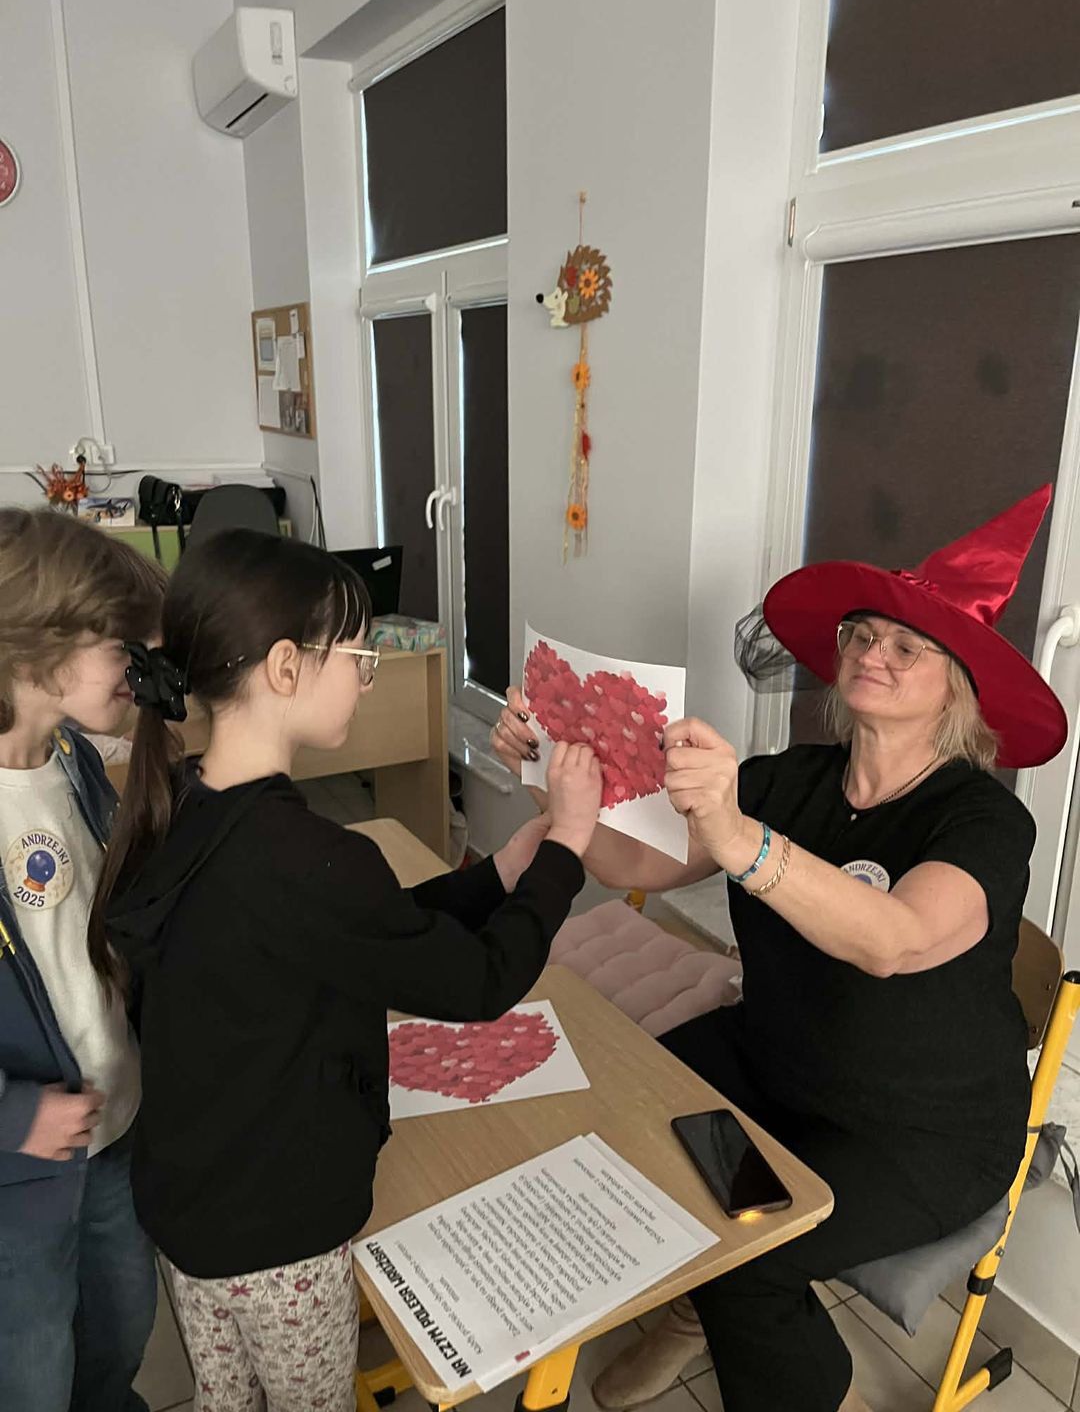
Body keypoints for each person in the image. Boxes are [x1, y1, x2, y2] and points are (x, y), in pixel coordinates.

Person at [490, 486, 1066, 1412]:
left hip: (919, 1132)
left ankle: (790, 1367)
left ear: (957, 687)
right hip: (773, 1058)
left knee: (752, 1259)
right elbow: (640, 861)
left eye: (906, 646)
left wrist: (739, 838)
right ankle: (695, 1312)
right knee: (625, 1110)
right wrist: (545, 776)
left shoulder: (983, 820)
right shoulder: (785, 778)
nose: (872, 651)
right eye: (862, 634)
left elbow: (895, 940)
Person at [90, 530, 602, 1412]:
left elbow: (365, 932)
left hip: (187, 1207)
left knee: (228, 1400)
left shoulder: (179, 802)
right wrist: (569, 850)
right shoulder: (309, 858)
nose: (368, 681)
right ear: (286, 667)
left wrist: (504, 873)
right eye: (360, 659)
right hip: (276, 1239)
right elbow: (479, 982)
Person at [0, 507, 166, 1412]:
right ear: (38, 648)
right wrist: (15, 1114)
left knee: (121, 1328)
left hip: (115, 1130)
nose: (139, 669)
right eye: (121, 649)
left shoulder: (72, 761)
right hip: (20, 1172)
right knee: (31, 1371)